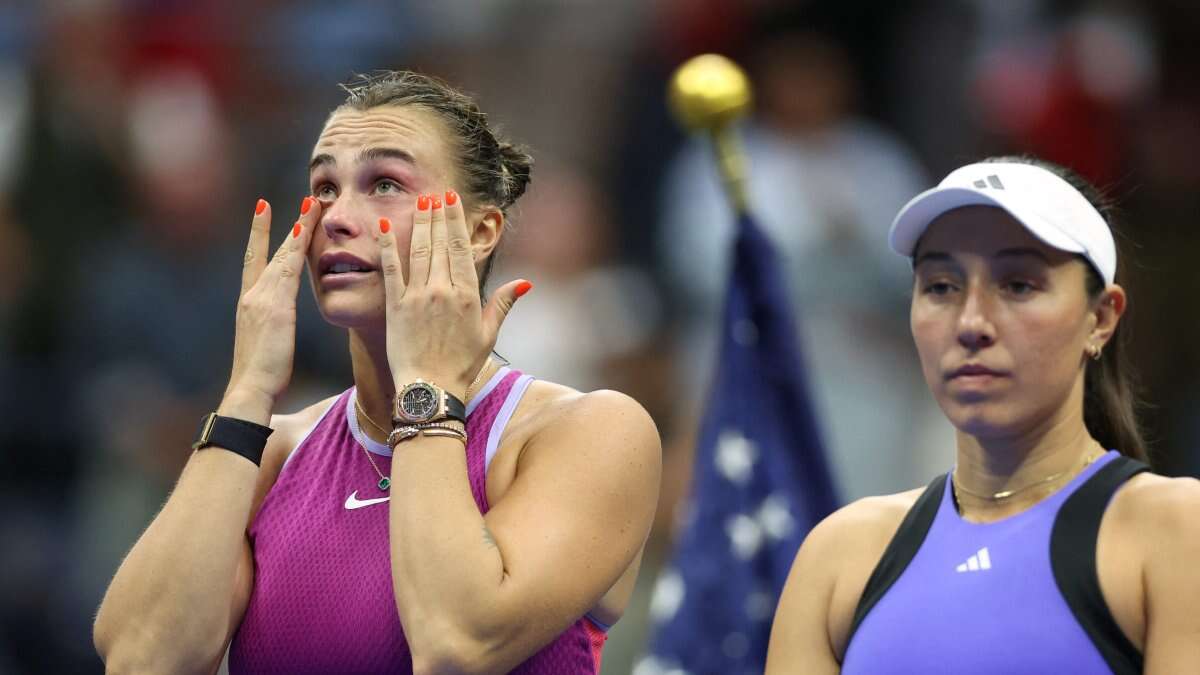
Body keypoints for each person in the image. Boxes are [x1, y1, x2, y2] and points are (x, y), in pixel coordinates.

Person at [92, 70, 662, 675]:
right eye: (324, 187)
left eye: (384, 182)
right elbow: (142, 659)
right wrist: (246, 392)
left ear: (479, 231)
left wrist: (427, 387)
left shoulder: (592, 433)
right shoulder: (273, 450)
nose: (337, 217)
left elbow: (455, 642)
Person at [765, 156, 1200, 673]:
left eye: (1018, 285)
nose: (972, 323)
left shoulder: (1176, 528)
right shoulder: (839, 554)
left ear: (1100, 318)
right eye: (941, 287)